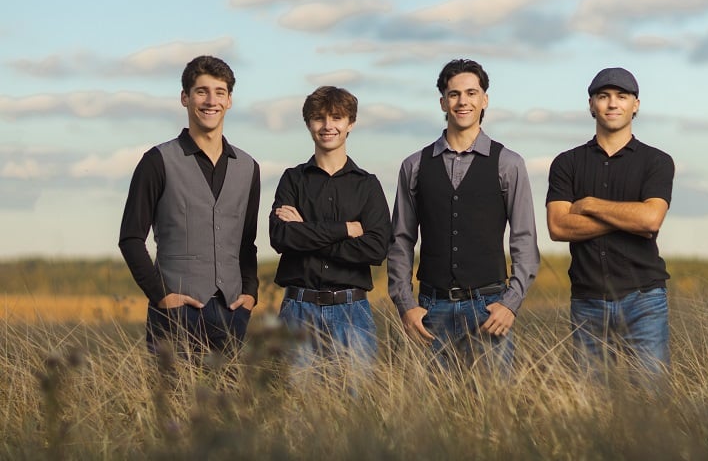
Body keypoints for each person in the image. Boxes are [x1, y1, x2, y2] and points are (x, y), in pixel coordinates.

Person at [387, 59, 540, 371]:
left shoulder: (508, 163)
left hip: (489, 310)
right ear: (443, 102)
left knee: (495, 410)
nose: (463, 101)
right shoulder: (414, 166)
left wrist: (510, 304)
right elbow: (400, 241)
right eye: (454, 94)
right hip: (430, 311)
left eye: (471, 93)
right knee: (430, 415)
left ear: (484, 100)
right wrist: (406, 305)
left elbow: (524, 239)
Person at [119, 56, 260, 359]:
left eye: (220, 92)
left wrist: (251, 294)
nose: (211, 101)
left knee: (230, 406)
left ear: (230, 101)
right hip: (173, 315)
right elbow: (131, 238)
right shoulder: (157, 161)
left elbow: (247, 242)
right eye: (201, 91)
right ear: (185, 97)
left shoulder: (249, 167)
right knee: (171, 405)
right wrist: (160, 297)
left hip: (232, 314)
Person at [546, 67, 674, 380]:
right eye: (603, 97)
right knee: (592, 405)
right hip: (587, 301)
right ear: (591, 105)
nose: (612, 103)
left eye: (622, 96)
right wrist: (629, 218)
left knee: (650, 401)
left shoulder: (656, 161)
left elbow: (651, 219)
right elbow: (559, 227)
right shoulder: (567, 163)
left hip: (643, 301)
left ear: (636, 105)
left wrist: (589, 205)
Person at [269, 86, 391, 369]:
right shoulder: (292, 179)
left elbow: (376, 248)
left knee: (356, 407)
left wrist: (306, 231)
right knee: (295, 406)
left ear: (351, 124)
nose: (327, 126)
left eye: (336, 117)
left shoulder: (368, 185)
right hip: (297, 309)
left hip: (353, 311)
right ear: (308, 124)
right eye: (319, 118)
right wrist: (345, 229)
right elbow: (281, 237)